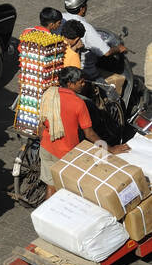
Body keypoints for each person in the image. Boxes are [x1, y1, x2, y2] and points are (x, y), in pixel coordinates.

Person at [40, 67, 128, 199]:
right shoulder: (79, 104)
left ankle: (46, 215)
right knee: (68, 189)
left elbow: (41, 123)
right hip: (64, 154)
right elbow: (89, 134)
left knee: (51, 186)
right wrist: (109, 148)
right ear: (70, 84)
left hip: (46, 148)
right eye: (80, 82)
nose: (84, 84)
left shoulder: (49, 94)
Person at [61, 0, 127, 92]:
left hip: (63, 66)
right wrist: (119, 48)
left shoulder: (61, 18)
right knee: (112, 92)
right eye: (85, 5)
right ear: (82, 8)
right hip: (86, 73)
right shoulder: (86, 28)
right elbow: (107, 52)